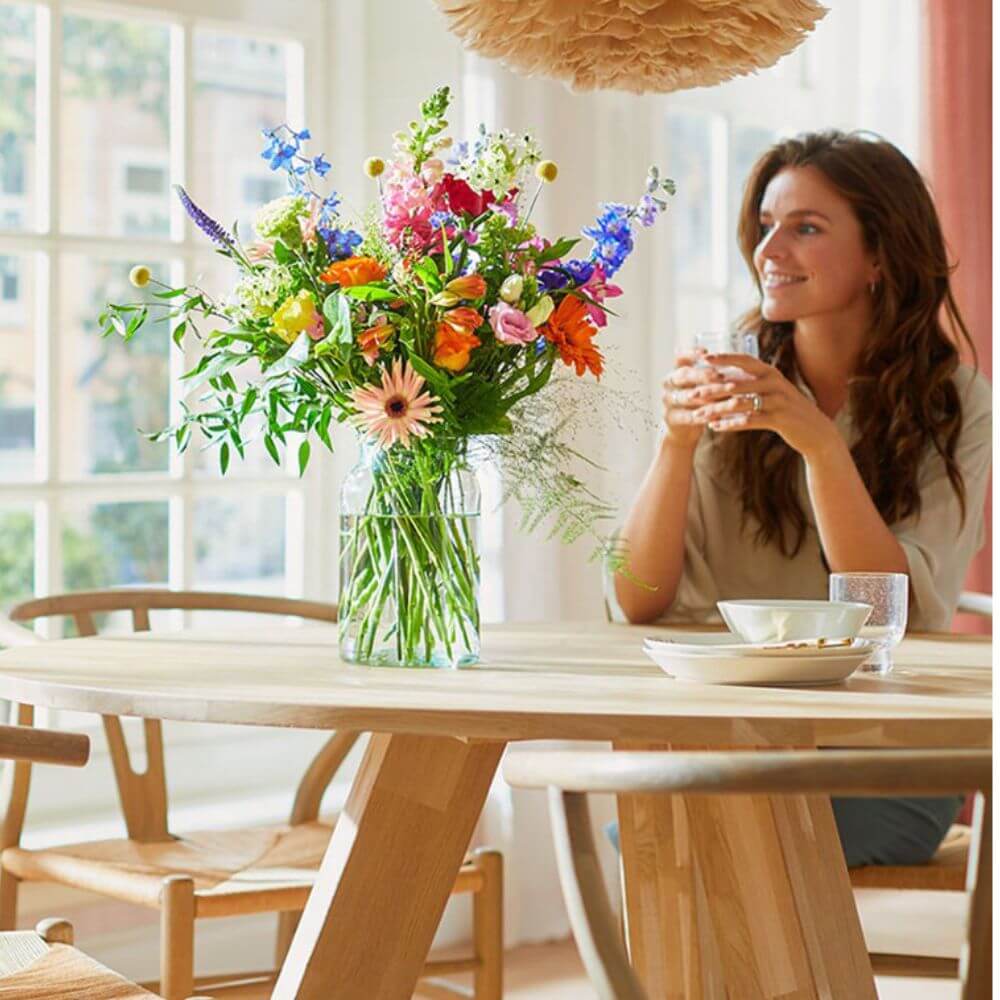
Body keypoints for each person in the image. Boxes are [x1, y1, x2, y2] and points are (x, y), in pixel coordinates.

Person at [610, 130, 991, 867]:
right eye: (765, 227)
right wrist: (676, 444)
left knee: (691, 846)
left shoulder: (957, 405)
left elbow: (892, 609)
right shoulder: (732, 384)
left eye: (805, 228)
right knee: (659, 837)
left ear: (880, 255)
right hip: (743, 741)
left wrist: (818, 444)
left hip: (888, 759)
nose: (768, 251)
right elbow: (639, 600)